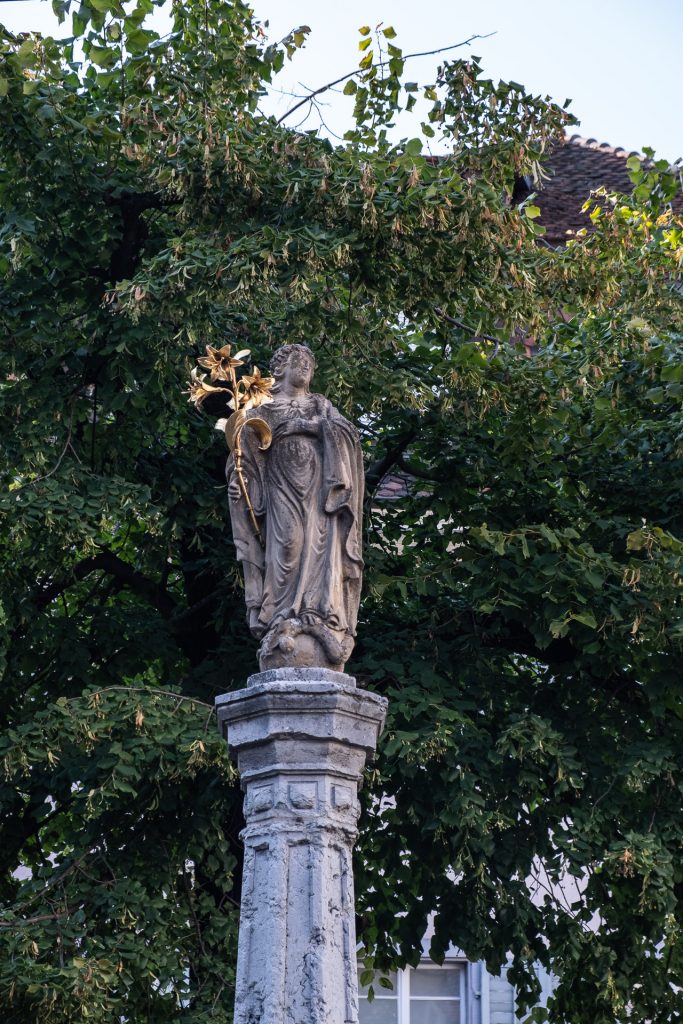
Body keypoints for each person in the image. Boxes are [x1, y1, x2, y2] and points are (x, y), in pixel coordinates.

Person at [227, 344, 363, 671]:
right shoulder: (264, 406)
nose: (305, 368)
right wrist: (239, 480)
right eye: (298, 362)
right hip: (280, 489)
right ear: (280, 368)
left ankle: (316, 617)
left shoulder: (320, 404)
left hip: (319, 493)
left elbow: (348, 436)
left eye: (310, 364)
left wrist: (307, 427)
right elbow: (242, 450)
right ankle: (280, 617)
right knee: (287, 546)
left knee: (320, 552)